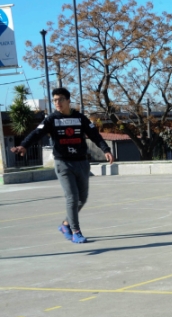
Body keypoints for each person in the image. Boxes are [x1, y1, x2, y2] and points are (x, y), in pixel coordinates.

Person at [11, 87, 114, 244]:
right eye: (54, 100)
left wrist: (106, 149)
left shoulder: (80, 118)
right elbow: (36, 133)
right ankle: (75, 231)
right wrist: (24, 145)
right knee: (72, 197)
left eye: (60, 100)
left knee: (82, 198)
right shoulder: (52, 119)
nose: (57, 103)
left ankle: (65, 225)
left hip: (81, 162)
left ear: (68, 101)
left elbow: (95, 135)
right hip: (63, 164)